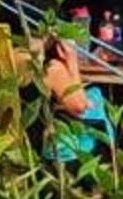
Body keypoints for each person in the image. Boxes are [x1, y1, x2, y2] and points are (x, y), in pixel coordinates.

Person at [42, 32, 111, 162]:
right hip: (60, 151)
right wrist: (72, 61)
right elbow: (80, 107)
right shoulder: (53, 68)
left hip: (39, 136)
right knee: (97, 109)